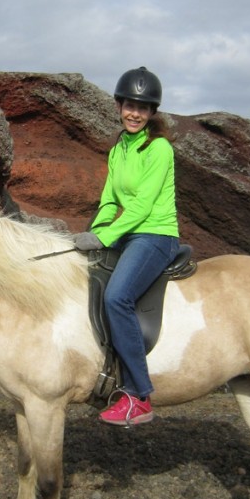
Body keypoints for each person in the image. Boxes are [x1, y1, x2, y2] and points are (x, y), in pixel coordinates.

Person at [74, 66, 179, 427]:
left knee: (117, 296)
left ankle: (139, 395)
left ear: (152, 113)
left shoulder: (159, 148)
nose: (135, 113)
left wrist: (105, 237)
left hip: (155, 234)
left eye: (143, 107)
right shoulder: (119, 147)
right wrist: (97, 229)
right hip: (126, 231)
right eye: (129, 105)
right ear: (119, 106)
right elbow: (109, 198)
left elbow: (142, 206)